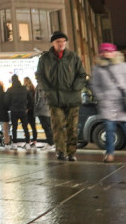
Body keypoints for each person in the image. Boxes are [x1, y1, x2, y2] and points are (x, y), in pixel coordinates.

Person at [35, 31, 87, 161]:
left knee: (72, 127)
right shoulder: (45, 58)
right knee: (58, 126)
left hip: (72, 97)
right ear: (53, 43)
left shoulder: (73, 57)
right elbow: (39, 75)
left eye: (63, 41)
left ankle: (71, 153)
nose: (61, 44)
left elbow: (82, 75)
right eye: (58, 41)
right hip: (54, 98)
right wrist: (46, 90)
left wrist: (76, 87)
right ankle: (60, 151)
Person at [90, 43, 126, 163]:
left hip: (123, 103)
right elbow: (94, 85)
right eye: (104, 51)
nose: (106, 54)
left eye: (109, 51)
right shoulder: (97, 68)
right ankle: (109, 154)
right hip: (108, 104)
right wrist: (101, 96)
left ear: (114, 53)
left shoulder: (124, 66)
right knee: (109, 129)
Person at [7, 75, 31, 148]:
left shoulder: (10, 90)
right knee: (25, 127)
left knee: (14, 127)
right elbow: (30, 99)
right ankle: (27, 143)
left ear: (12, 80)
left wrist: (10, 107)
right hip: (23, 110)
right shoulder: (24, 89)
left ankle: (14, 143)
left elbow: (6, 100)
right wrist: (27, 107)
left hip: (14, 110)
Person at [35, 84, 54, 149]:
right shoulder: (48, 85)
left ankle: (51, 143)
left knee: (46, 127)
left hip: (43, 110)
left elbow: (41, 98)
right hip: (47, 109)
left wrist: (36, 107)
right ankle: (51, 142)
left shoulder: (41, 85)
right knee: (48, 127)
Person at [23, 77, 39, 148]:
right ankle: (34, 141)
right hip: (32, 110)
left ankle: (28, 141)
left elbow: (29, 101)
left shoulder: (27, 90)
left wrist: (27, 108)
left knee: (26, 126)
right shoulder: (33, 89)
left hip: (28, 110)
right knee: (33, 126)